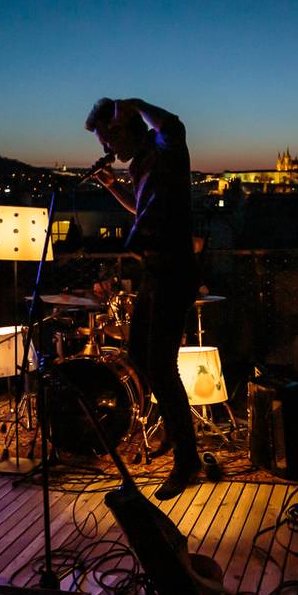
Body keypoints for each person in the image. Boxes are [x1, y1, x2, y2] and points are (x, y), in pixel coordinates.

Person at [85, 97, 201, 500]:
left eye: (107, 140)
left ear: (123, 128)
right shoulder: (138, 165)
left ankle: (188, 459)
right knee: (139, 353)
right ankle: (174, 426)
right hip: (155, 269)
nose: (107, 151)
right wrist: (112, 186)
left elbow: (174, 125)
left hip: (175, 270)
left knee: (162, 366)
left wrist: (132, 103)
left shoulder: (164, 149)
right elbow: (142, 209)